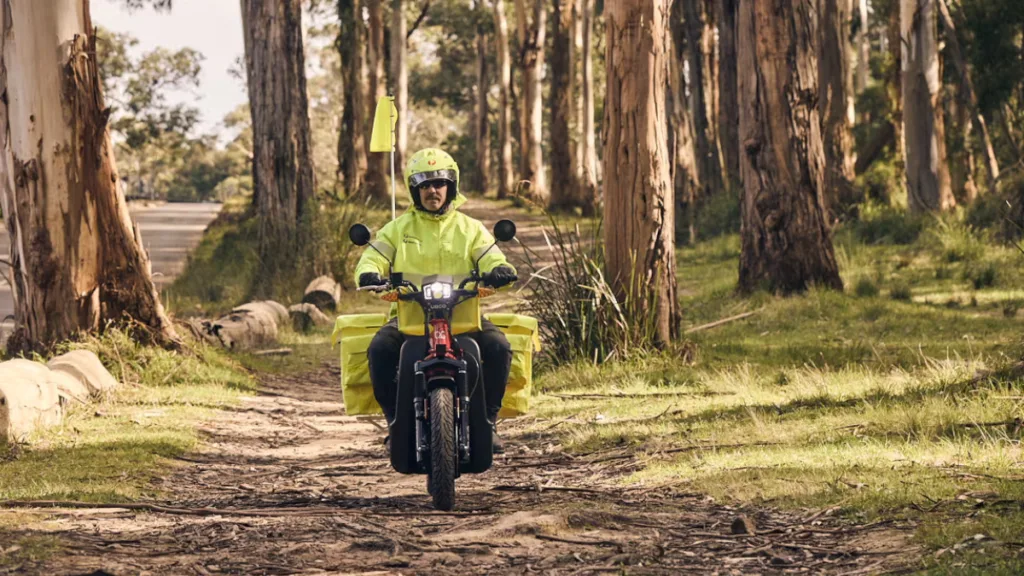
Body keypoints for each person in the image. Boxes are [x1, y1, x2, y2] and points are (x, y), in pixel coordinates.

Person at [354, 148, 517, 452]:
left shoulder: (470, 229)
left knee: (499, 347)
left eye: (440, 183)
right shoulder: (397, 229)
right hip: (408, 314)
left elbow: (490, 255)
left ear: (451, 186)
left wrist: (499, 270)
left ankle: (489, 422)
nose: (433, 190)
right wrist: (369, 275)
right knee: (380, 349)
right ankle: (395, 424)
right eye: (424, 184)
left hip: (464, 312)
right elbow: (373, 256)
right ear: (414, 189)